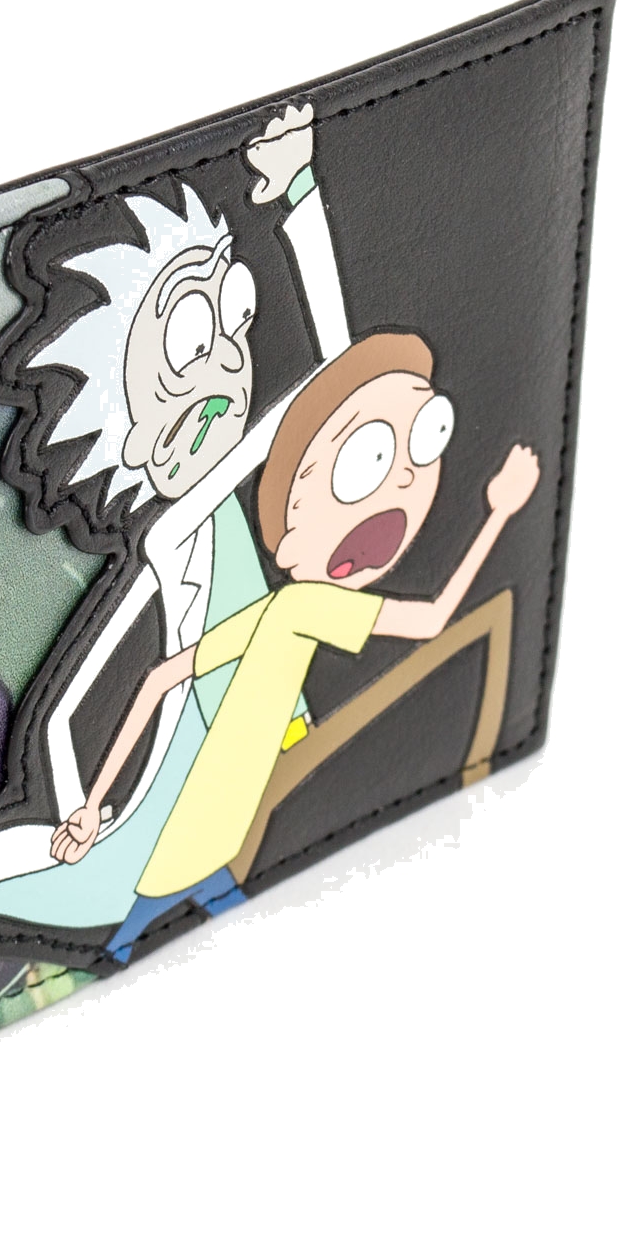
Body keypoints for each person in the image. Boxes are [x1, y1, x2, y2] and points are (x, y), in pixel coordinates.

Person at [49, 332, 541, 962]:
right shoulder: (306, 605)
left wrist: (93, 807)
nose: (405, 478)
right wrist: (498, 512)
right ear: (289, 535)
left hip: (223, 821)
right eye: (367, 459)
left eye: (426, 436)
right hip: (216, 823)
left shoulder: (278, 608)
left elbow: (161, 678)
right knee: (135, 933)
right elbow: (434, 617)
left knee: (167, 914)